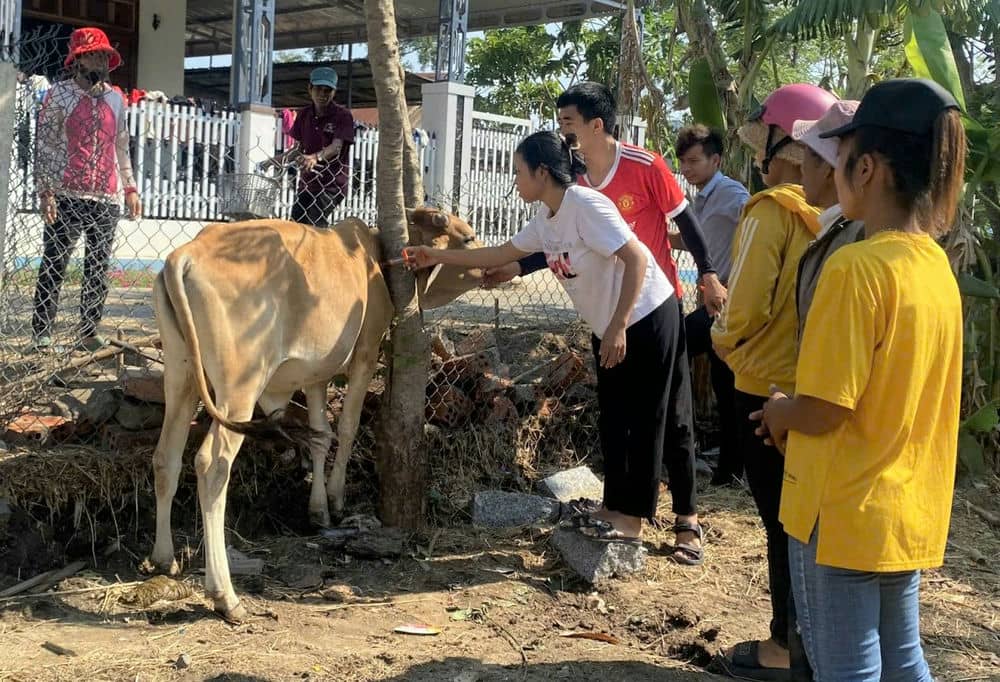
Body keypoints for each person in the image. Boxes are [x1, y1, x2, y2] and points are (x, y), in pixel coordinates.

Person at [756, 78, 964, 681]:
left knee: (846, 667)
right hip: (904, 510)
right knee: (902, 657)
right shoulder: (934, 267)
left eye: (838, 158)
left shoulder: (854, 268)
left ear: (866, 167)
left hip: (841, 512)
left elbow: (823, 410)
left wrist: (777, 411)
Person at [483, 82, 724, 565]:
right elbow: (566, 243)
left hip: (656, 303)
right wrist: (517, 265)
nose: (563, 131)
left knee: (671, 416)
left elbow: (687, 222)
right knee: (621, 413)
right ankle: (625, 511)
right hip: (615, 312)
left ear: (596, 125)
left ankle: (687, 520)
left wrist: (710, 274)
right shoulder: (575, 181)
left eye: (568, 122)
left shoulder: (644, 165)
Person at [406, 130, 677, 544]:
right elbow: (499, 254)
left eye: (519, 172)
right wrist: (436, 255)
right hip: (609, 325)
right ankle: (613, 507)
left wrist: (621, 324)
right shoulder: (546, 219)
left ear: (543, 171)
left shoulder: (585, 205)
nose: (515, 182)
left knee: (642, 419)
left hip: (646, 317)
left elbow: (637, 258)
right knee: (614, 416)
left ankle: (633, 522)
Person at [709, 83, 837, 679]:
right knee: (806, 520)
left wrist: (719, 335)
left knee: (781, 522)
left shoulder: (770, 212)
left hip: (763, 388)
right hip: (815, 388)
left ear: (787, 146)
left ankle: (783, 648)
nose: (760, 154)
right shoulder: (839, 218)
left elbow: (749, 306)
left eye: (767, 140)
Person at [29, 27, 142, 353]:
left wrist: (130, 187)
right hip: (66, 193)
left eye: (105, 55)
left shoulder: (115, 99)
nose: (102, 60)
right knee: (54, 263)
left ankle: (89, 330)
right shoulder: (59, 95)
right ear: (77, 60)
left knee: (97, 267)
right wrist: (46, 192)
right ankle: (42, 332)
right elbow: (46, 146)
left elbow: (122, 145)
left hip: (105, 197)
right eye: (95, 54)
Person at [674, 125, 749, 486]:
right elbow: (695, 240)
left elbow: (758, 231)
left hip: (730, 301)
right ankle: (729, 471)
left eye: (694, 161)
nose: (686, 168)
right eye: (682, 162)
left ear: (715, 160)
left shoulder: (733, 195)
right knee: (725, 384)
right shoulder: (702, 199)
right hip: (716, 304)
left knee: (675, 343)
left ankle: (681, 448)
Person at [790, 100, 864, 343]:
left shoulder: (850, 241)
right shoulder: (839, 229)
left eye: (807, 156)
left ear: (828, 169)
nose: (801, 168)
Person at [267, 66, 354, 227]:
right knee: (296, 225)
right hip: (308, 184)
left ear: (334, 92)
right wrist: (272, 161)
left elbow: (337, 147)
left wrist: (315, 157)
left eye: (327, 90)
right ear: (310, 89)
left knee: (314, 223)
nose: (322, 94)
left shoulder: (343, 116)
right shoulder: (304, 114)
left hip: (331, 184)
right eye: (318, 89)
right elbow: (298, 149)